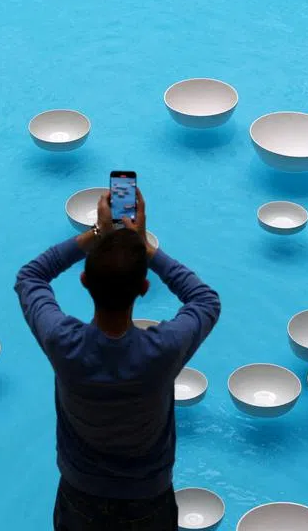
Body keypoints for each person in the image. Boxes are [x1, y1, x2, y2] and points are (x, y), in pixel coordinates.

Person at [15, 189, 221, 531]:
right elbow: (205, 300)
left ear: (83, 281)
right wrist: (145, 247)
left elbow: (31, 276)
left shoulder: (62, 344)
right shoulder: (163, 350)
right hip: (148, 498)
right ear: (143, 288)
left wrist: (95, 234)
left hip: (79, 494)